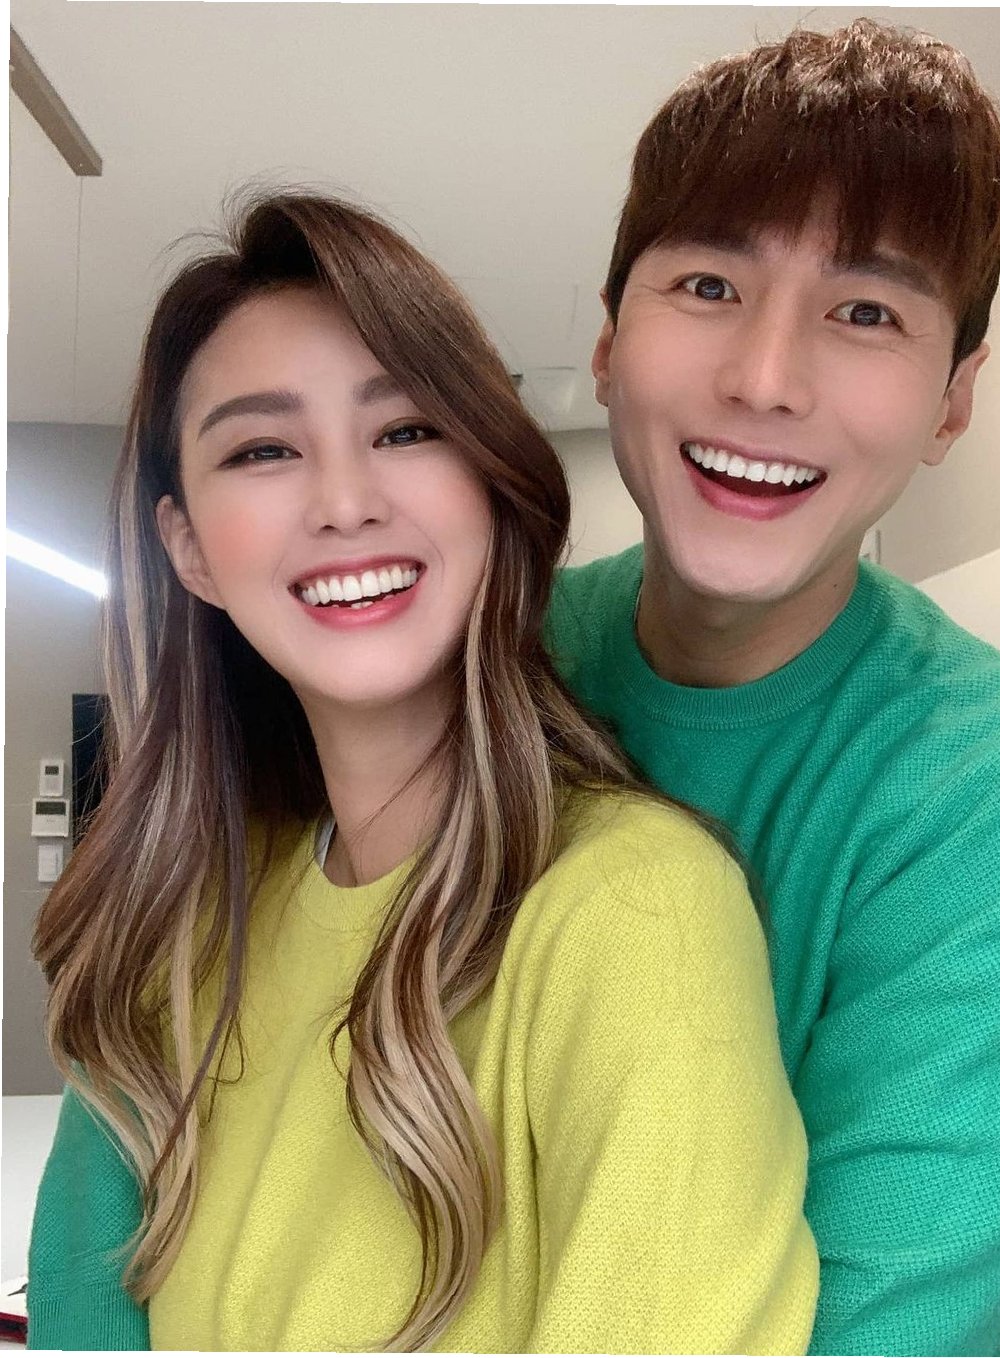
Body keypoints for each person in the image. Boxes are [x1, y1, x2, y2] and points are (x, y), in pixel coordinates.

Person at [26, 191, 817, 1353]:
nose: (346, 503)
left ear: (488, 481)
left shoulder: (639, 912)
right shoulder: (185, 927)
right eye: (261, 449)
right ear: (187, 546)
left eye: (403, 430)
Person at [545, 18, 1000, 1358]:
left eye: (865, 312)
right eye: (708, 284)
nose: (764, 380)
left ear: (952, 402)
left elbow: (879, 1318)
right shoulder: (494, 665)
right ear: (607, 341)